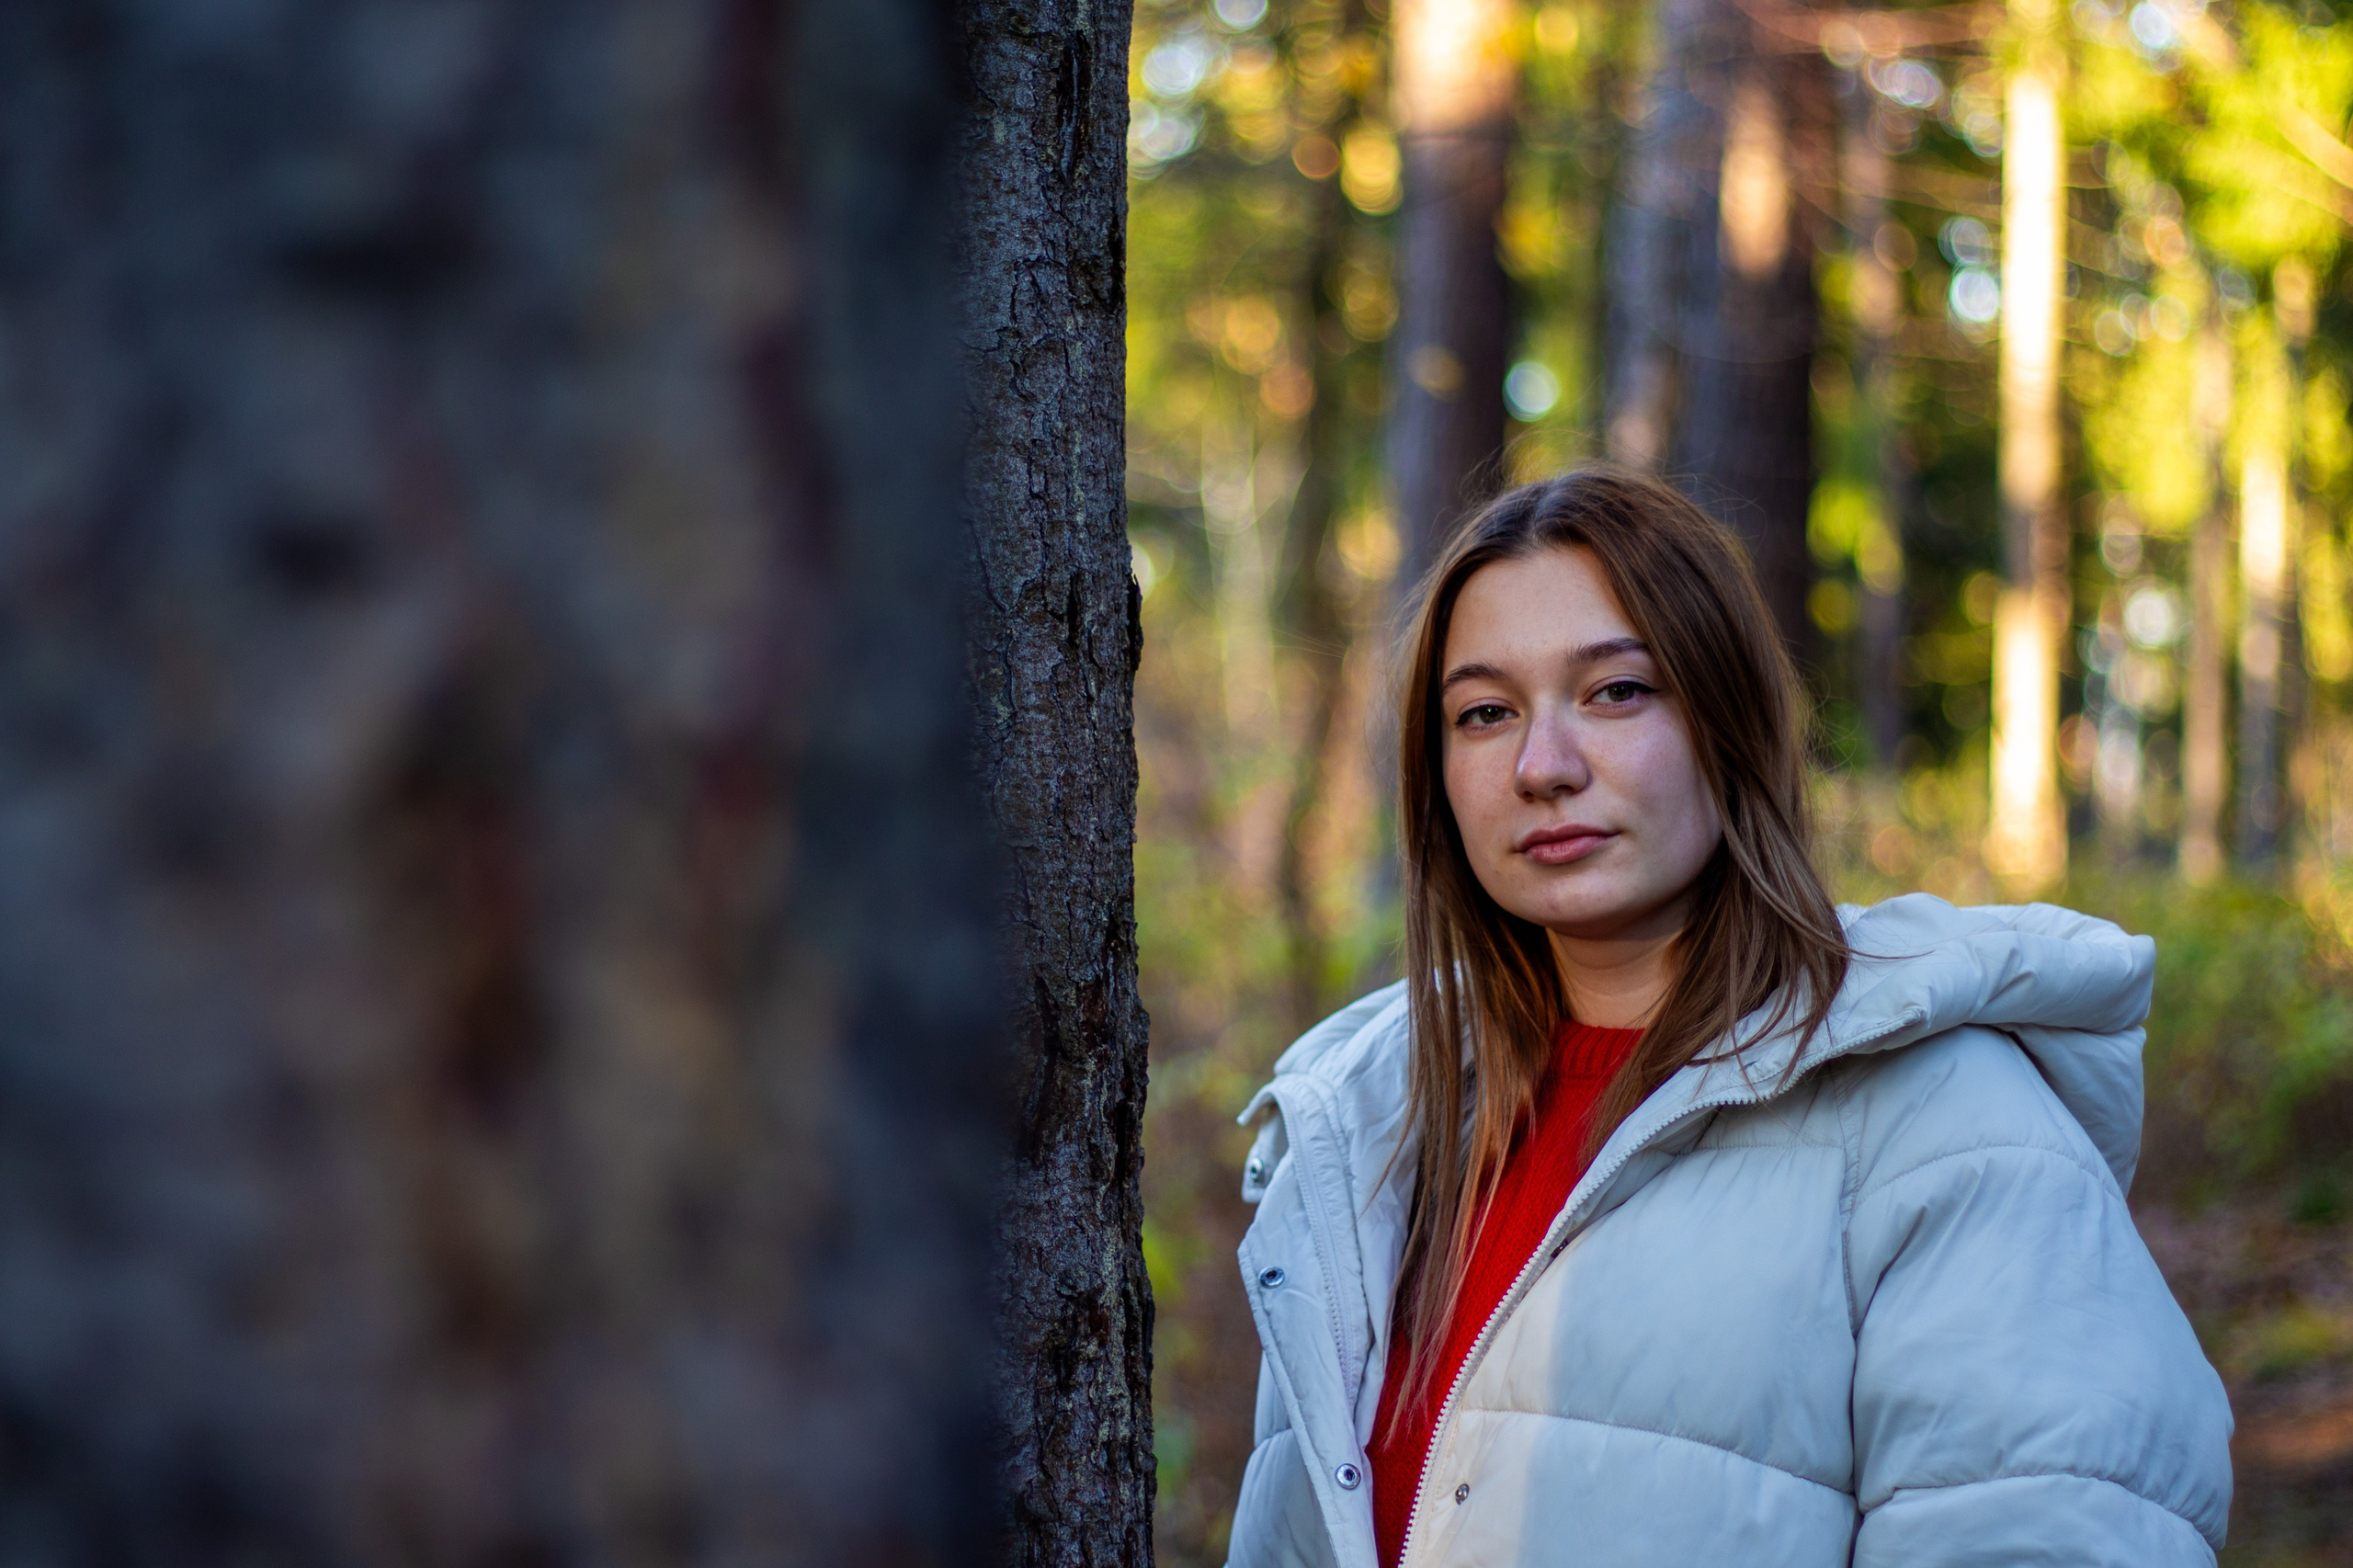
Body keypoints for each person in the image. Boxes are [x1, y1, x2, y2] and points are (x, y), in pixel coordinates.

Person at [1223, 470, 2233, 1568]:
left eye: (1615, 691)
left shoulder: (1951, 1127)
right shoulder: (1368, 1135)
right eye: (1484, 712)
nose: (1542, 765)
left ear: (1728, 719)